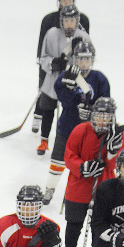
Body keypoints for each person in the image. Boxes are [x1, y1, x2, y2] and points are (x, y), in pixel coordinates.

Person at [43, 39, 110, 205]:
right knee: (58, 159)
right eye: (80, 59)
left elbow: (105, 104)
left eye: (87, 59)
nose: (84, 62)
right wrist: (71, 93)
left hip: (90, 131)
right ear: (75, 59)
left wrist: (93, 111)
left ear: (92, 60)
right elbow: (63, 100)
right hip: (67, 126)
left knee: (84, 164)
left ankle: (82, 193)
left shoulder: (99, 79)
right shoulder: (67, 76)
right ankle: (50, 189)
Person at [62, 96, 124, 247]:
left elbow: (115, 165)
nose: (101, 120)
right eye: (98, 116)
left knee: (100, 225)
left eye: (105, 117)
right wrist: (82, 167)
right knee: (74, 223)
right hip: (78, 187)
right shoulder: (80, 130)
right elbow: (68, 156)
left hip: (104, 188)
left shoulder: (118, 135)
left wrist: (112, 152)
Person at [35, 3, 91, 157]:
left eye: (72, 20)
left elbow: (89, 60)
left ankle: (71, 142)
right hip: (53, 79)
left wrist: (77, 61)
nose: (69, 24)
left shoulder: (84, 37)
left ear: (77, 20)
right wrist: (53, 63)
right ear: (61, 21)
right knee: (47, 108)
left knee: (72, 112)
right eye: (66, 20)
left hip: (73, 82)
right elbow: (43, 57)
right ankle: (44, 140)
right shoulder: (52, 34)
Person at [34, 0, 90, 123]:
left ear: (74, 0)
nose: (66, 2)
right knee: (45, 90)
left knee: (71, 94)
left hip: (71, 66)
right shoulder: (49, 19)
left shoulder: (82, 20)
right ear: (59, 0)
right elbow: (42, 44)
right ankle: (38, 113)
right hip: (51, 62)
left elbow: (86, 46)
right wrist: (45, 62)